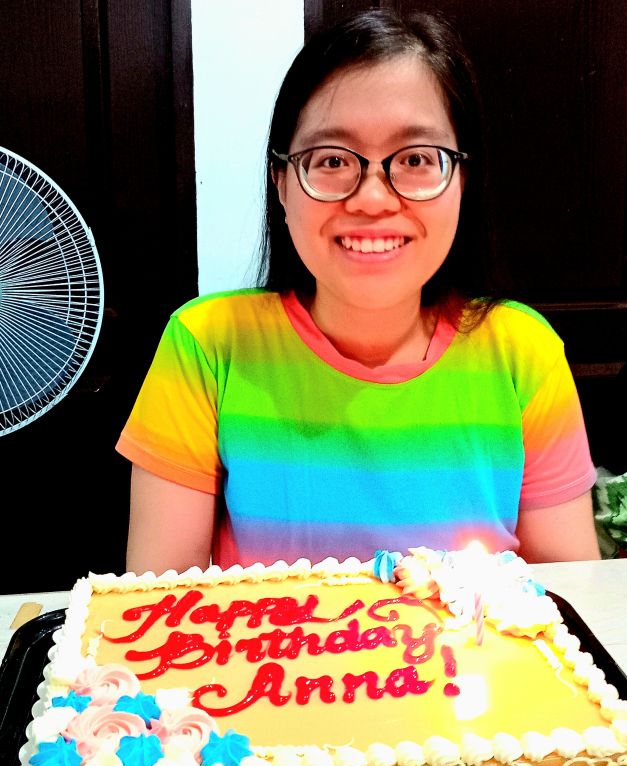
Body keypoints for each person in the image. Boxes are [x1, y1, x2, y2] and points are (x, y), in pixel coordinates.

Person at [117, 9, 600, 575]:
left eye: (417, 159)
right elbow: (158, 603)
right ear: (280, 183)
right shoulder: (207, 346)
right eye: (332, 160)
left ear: (463, 179)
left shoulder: (522, 351)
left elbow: (571, 596)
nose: (372, 199)